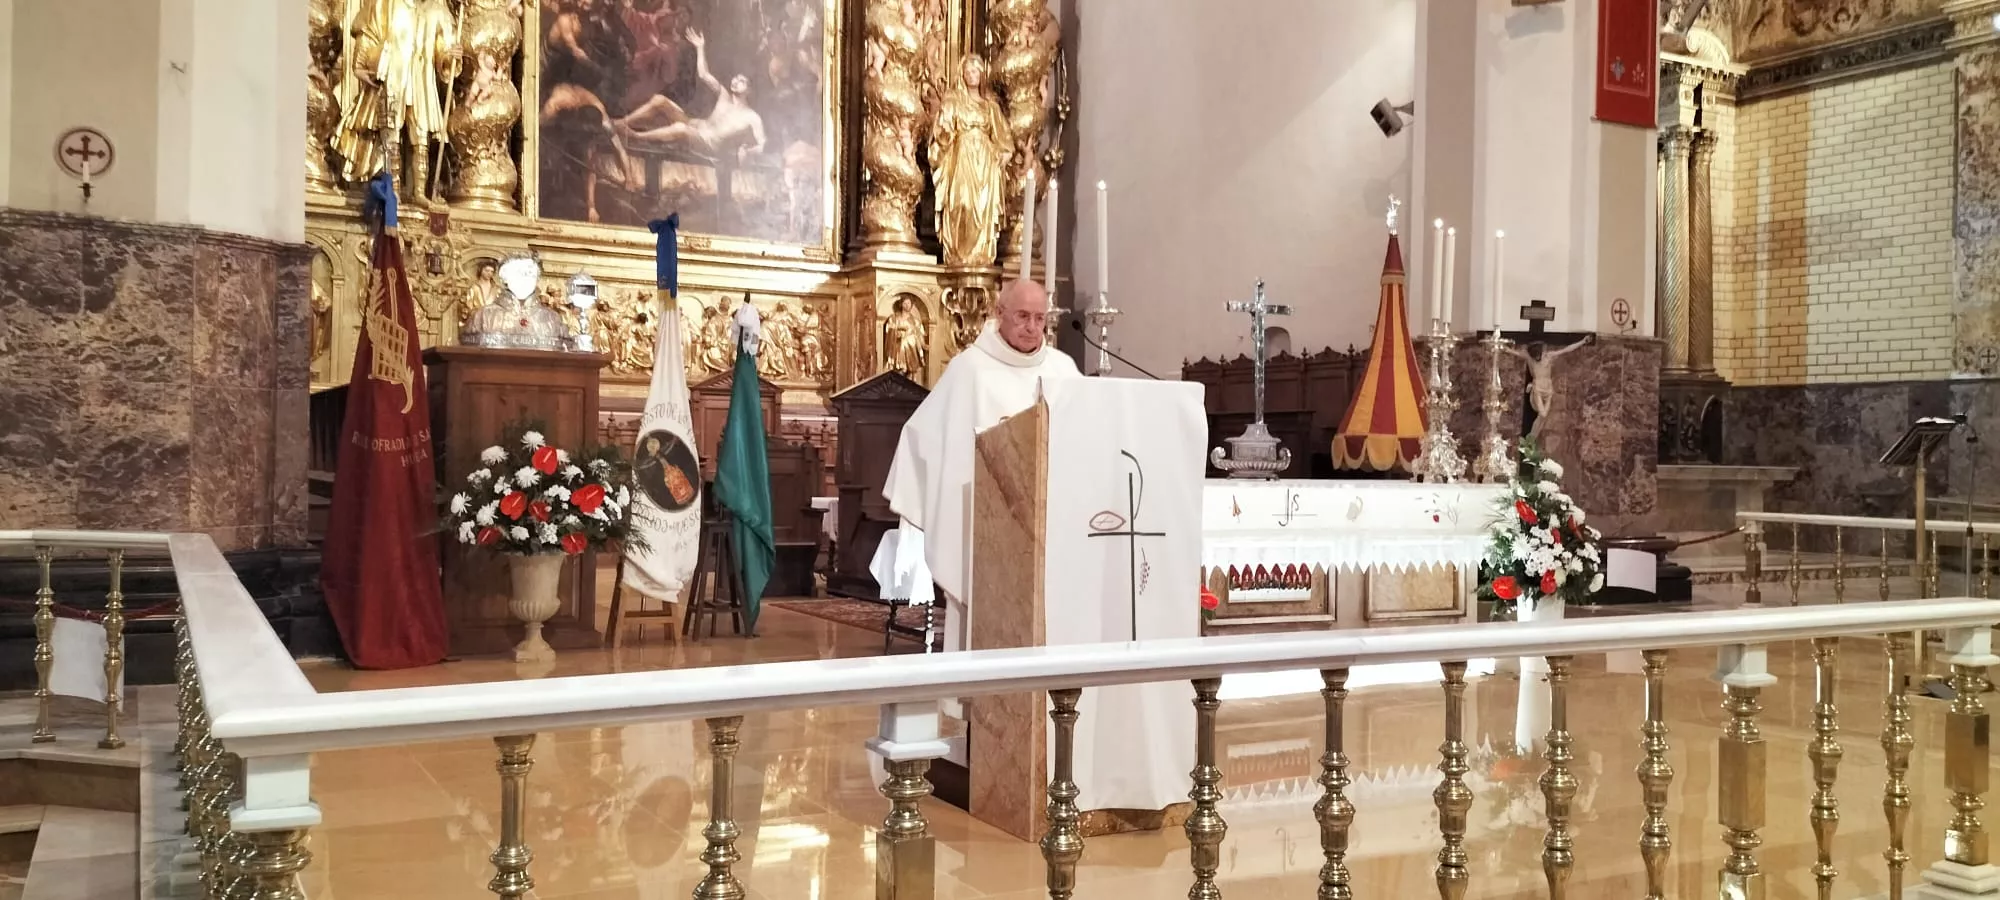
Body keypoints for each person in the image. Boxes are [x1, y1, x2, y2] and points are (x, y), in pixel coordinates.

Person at [882, 279, 1081, 654]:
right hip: (988, 523)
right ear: (999, 314)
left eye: (1040, 318)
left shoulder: (1063, 371)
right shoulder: (970, 370)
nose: (1031, 327)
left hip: (1051, 523)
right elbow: (923, 435)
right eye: (1022, 316)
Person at [618, 28, 768, 165]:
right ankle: (622, 122)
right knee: (660, 101)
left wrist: (748, 151)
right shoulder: (724, 95)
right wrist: (700, 48)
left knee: (681, 128)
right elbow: (703, 74)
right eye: (736, 78)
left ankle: (635, 136)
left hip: (707, 144)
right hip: (695, 127)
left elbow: (763, 144)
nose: (735, 81)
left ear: (750, 91)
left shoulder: (751, 117)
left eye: (741, 81)